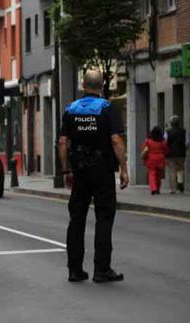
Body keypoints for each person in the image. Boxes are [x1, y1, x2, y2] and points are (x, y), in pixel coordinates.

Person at [58, 69, 128, 283]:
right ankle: (101, 269)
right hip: (102, 171)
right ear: (101, 86)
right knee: (104, 218)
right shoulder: (107, 108)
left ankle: (75, 270)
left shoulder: (71, 109)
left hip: (79, 171)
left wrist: (65, 170)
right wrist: (124, 168)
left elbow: (63, 142)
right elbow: (116, 141)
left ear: (83, 85)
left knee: (77, 219)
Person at [142, 126, 168, 195]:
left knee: (152, 174)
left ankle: (153, 188)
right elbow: (166, 150)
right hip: (160, 159)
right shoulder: (163, 141)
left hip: (151, 159)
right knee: (159, 175)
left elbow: (144, 148)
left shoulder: (148, 141)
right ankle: (158, 189)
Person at [165, 115, 187, 194]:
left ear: (171, 123)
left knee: (172, 171)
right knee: (180, 169)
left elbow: (165, 142)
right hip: (181, 153)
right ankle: (180, 181)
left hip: (170, 154)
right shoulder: (183, 131)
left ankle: (173, 189)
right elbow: (187, 142)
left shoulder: (168, 132)